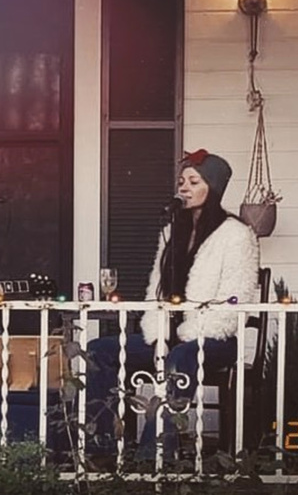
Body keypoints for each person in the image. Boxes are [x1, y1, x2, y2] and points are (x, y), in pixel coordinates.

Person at [86, 149, 260, 459]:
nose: (184, 188)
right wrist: (159, 330)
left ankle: (154, 455)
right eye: (182, 181)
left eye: (194, 181)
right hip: (168, 334)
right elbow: (157, 289)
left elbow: (237, 298)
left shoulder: (236, 235)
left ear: (214, 189)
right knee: (100, 350)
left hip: (215, 336)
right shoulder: (171, 233)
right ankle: (102, 448)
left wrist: (191, 332)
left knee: (182, 355)